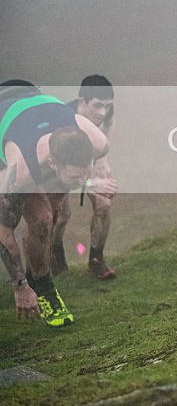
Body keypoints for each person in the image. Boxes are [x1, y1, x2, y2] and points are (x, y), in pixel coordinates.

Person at [0, 81, 116, 327]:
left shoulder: (98, 143)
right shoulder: (19, 172)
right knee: (41, 219)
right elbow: (3, 231)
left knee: (53, 213)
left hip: (33, 97)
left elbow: (106, 127)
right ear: (53, 165)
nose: (83, 183)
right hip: (9, 124)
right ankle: (44, 290)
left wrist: (93, 175)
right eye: (75, 177)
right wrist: (20, 287)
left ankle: (37, 273)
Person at [51, 75, 118, 279]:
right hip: (63, 169)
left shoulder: (106, 111)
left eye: (107, 106)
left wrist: (101, 160)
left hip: (89, 161)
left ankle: (96, 260)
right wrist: (92, 183)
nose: (103, 112)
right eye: (97, 106)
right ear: (82, 101)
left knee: (104, 204)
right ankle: (55, 253)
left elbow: (110, 124)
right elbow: (64, 174)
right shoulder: (63, 120)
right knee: (62, 216)